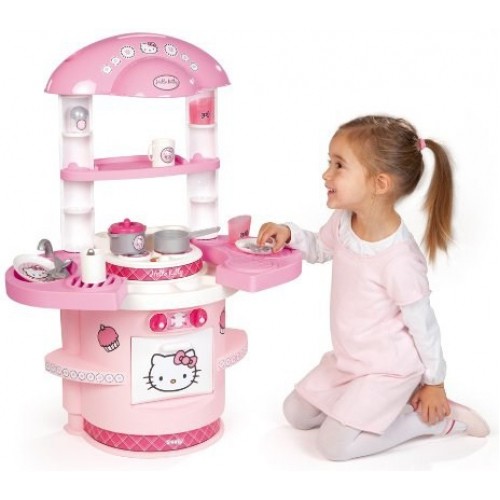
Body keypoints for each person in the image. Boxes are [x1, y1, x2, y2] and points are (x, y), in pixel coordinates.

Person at [257, 115, 489, 461]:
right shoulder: (343, 223)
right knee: (296, 414)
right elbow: (319, 248)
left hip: (388, 369)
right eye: (329, 163)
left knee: (334, 447)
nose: (326, 175)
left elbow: (424, 326)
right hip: (350, 360)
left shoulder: (399, 260)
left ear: (379, 184)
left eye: (339, 165)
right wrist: (289, 234)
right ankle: (366, 409)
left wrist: (435, 383)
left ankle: (429, 423)